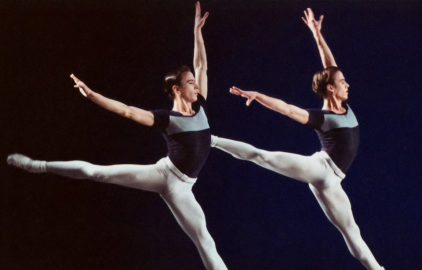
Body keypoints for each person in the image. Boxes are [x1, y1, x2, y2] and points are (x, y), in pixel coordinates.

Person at [7, 2, 227, 270]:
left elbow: (201, 65)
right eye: (190, 82)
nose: (197, 85)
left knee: (205, 240)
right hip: (165, 176)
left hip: (183, 187)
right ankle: (37, 165)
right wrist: (91, 95)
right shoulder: (167, 118)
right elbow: (126, 111)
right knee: (98, 173)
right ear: (176, 89)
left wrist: (196, 33)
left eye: (195, 82)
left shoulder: (200, 104)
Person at [210, 8, 384, 270]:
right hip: (321, 168)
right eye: (343, 82)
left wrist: (317, 35)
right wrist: (258, 95)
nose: (347, 84)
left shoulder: (345, 107)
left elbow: (330, 65)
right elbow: (287, 108)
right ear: (330, 88)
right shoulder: (322, 117)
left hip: (331, 181)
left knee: (352, 233)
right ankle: (210, 139)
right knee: (262, 156)